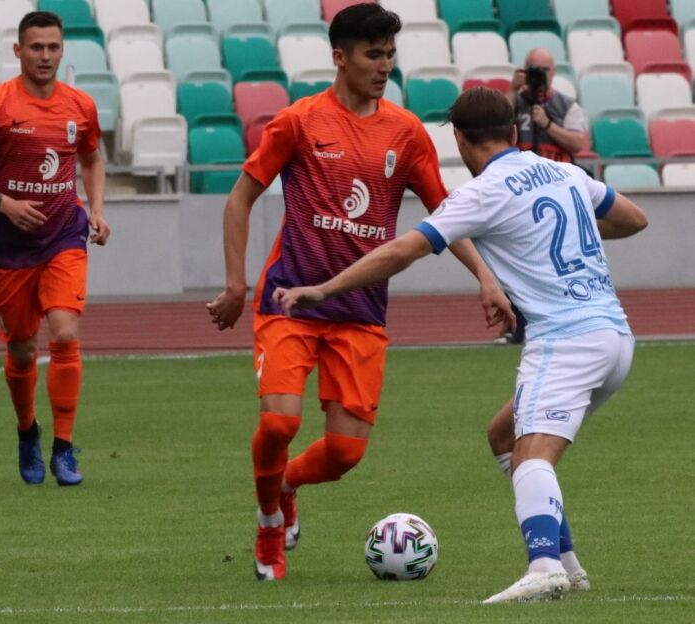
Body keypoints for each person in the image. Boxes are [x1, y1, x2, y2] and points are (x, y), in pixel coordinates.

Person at [274, 87, 647, 602]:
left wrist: (324, 289)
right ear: (513, 132)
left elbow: (403, 251)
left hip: (566, 340)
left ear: (459, 140)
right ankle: (568, 567)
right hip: (616, 337)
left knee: (533, 457)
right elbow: (634, 218)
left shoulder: (482, 193)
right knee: (504, 436)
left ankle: (543, 568)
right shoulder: (561, 171)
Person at [206, 4, 512, 581]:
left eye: (390, 54)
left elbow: (444, 215)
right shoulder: (299, 121)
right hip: (289, 300)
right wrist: (235, 282)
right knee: (279, 424)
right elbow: (240, 198)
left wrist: (486, 276)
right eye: (374, 54)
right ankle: (268, 524)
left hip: (360, 312)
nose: (385, 65)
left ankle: (285, 485)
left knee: (345, 453)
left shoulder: (406, 132)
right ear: (340, 57)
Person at [0, 11, 110, 487]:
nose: (45, 56)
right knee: (21, 350)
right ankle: (27, 431)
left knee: (64, 333)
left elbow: (92, 159)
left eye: (53, 47)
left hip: (64, 237)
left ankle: (64, 448)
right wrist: (5, 204)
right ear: (18, 51)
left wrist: (97, 209)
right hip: (10, 249)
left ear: (62, 50)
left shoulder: (80, 106)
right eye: (36, 47)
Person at [506, 48, 587, 164]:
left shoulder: (567, 105)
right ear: (525, 71)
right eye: (534, 69)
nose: (540, 74)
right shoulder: (515, 100)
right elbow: (498, 125)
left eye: (545, 69)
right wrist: (513, 89)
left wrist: (547, 125)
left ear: (553, 72)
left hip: (557, 170)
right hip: (522, 169)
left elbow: (577, 144)